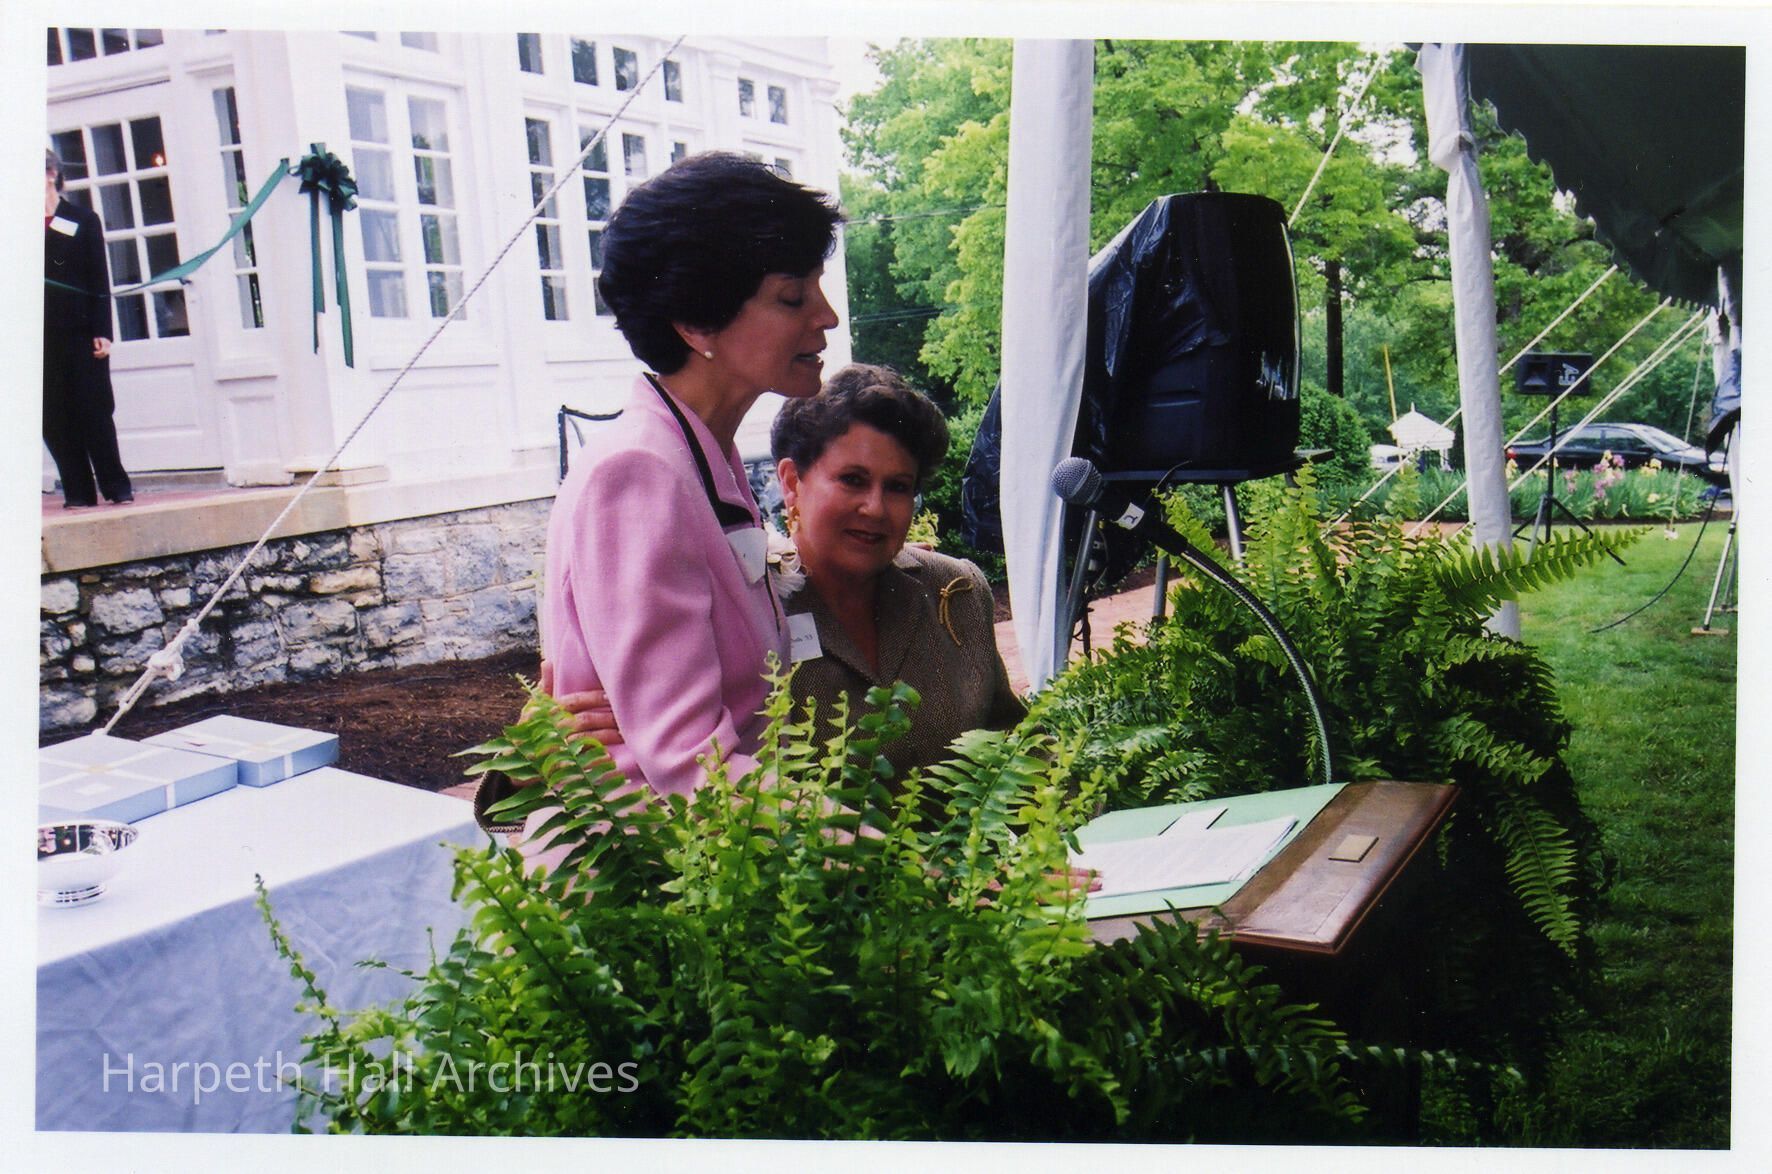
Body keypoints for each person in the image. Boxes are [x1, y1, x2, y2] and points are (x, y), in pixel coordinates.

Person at [486, 152, 841, 848]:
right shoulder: (638, 476)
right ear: (696, 323)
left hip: (714, 863)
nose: (825, 317)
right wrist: (923, 868)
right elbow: (695, 774)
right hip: (648, 881)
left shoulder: (701, 455)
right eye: (792, 297)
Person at [769, 363, 1023, 776]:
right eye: (853, 480)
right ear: (792, 482)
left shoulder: (955, 591)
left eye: (898, 487)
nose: (875, 508)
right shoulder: (751, 611)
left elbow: (1017, 750)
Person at [43, 147, 132, 508]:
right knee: (52, 415)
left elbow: (99, 278)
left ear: (51, 173)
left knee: (95, 410)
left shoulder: (82, 219)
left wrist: (103, 331)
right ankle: (78, 491)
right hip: (39, 337)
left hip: (81, 332)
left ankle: (116, 485)